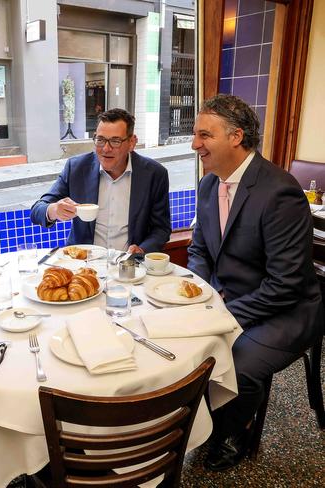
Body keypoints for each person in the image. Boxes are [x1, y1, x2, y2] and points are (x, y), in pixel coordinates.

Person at [187, 94, 323, 471]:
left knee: (236, 360)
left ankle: (235, 433)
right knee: (182, 341)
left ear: (236, 136)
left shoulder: (280, 192)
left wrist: (222, 314)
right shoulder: (208, 185)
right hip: (234, 297)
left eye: (204, 135)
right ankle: (201, 421)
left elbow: (287, 283)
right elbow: (199, 249)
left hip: (288, 310)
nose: (195, 144)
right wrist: (199, 294)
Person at [30, 108, 171, 254]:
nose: (106, 149)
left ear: (131, 142)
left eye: (115, 141)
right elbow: (37, 210)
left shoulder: (154, 174)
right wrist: (53, 210)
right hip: (83, 263)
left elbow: (161, 229)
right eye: (100, 140)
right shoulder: (77, 168)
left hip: (129, 266)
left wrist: (142, 250)